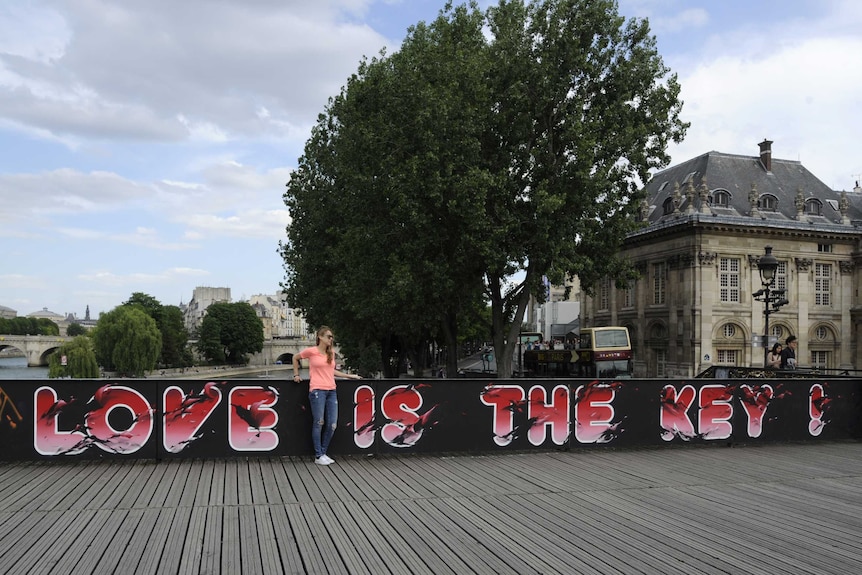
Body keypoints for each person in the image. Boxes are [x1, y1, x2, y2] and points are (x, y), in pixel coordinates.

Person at [292, 326, 361, 466]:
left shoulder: (331, 353)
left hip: (331, 390)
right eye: (329, 336)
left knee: (332, 424)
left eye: (331, 337)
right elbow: (295, 357)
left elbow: (332, 371)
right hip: (317, 390)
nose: (331, 339)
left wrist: (349, 376)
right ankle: (318, 455)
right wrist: (296, 374)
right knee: (319, 422)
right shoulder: (312, 351)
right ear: (320, 337)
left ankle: (322, 452)